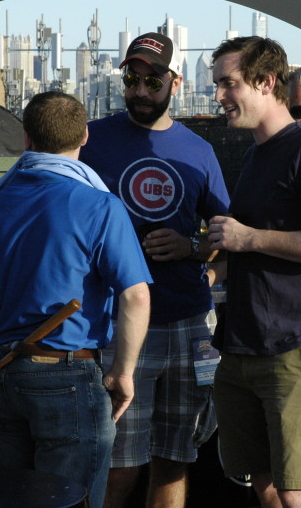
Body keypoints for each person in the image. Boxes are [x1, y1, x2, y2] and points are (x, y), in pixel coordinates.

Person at [0, 91, 152, 508]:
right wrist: (123, 372)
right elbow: (135, 295)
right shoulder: (99, 205)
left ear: (26, 140)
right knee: (72, 501)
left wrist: (14, 339)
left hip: (6, 373)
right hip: (69, 376)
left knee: (15, 500)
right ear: (84, 137)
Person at [80, 32, 230, 508]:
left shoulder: (199, 151)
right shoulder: (91, 139)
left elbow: (229, 240)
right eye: (132, 79)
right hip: (119, 326)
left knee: (174, 458)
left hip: (189, 324)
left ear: (175, 82)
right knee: (119, 463)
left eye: (152, 80)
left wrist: (192, 250)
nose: (141, 90)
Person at [208, 36, 301, 508]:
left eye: (228, 84)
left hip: (297, 346)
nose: (219, 97)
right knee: (265, 484)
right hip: (244, 343)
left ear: (266, 81)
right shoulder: (255, 154)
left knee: (299, 493)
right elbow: (255, 242)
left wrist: (246, 238)